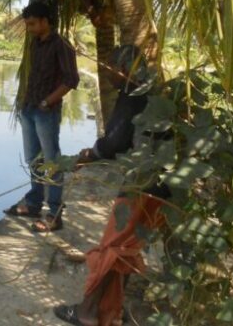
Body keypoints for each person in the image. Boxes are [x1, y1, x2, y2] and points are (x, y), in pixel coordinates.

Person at [53, 45, 170, 326]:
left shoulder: (132, 94)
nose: (108, 76)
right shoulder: (159, 92)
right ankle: (111, 312)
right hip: (166, 188)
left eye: (109, 70)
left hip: (141, 184)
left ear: (124, 69)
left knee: (113, 247)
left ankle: (87, 313)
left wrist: (90, 155)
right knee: (128, 247)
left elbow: (116, 140)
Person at [5, 1, 79, 232]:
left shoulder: (62, 45)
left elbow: (71, 80)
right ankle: (34, 203)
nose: (30, 29)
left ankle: (55, 214)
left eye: (33, 24)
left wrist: (48, 101)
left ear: (46, 21)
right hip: (28, 108)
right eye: (28, 24)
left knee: (52, 162)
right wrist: (23, 102)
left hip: (46, 111)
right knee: (33, 159)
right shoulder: (35, 45)